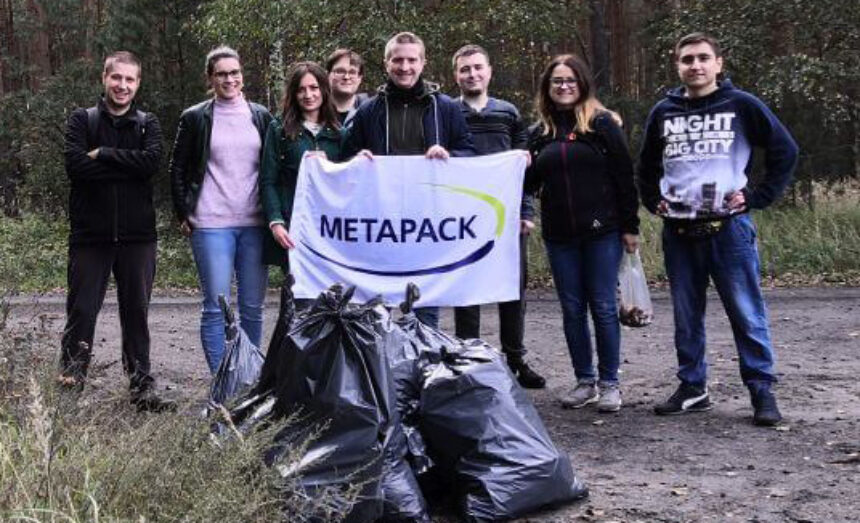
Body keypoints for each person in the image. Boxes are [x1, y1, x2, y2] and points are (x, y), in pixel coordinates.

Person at [638, 33, 798, 426]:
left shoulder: (741, 105)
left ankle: (761, 390)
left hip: (729, 230)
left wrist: (757, 196)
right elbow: (646, 165)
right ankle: (693, 388)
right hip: (679, 232)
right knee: (686, 316)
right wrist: (652, 200)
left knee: (746, 313)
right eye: (687, 59)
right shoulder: (664, 111)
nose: (695, 65)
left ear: (718, 64)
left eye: (703, 58)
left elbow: (785, 150)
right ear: (678, 65)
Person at [60, 51, 173, 411]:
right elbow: (77, 168)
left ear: (138, 83)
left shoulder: (147, 123)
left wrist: (104, 153)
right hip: (90, 237)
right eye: (117, 77)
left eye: (130, 79)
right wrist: (128, 167)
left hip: (138, 237)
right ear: (104, 78)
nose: (123, 85)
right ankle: (69, 388)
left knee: (136, 313)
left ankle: (142, 389)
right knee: (81, 312)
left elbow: (151, 164)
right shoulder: (83, 120)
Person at [525, 54, 639, 412]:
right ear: (547, 87)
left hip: (602, 232)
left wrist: (630, 227)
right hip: (559, 237)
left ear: (582, 84)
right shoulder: (538, 134)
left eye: (570, 80)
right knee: (572, 309)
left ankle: (610, 384)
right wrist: (521, 165)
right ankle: (585, 381)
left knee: (603, 307)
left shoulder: (602, 124)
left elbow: (624, 176)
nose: (564, 86)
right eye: (557, 81)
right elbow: (528, 184)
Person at [344, 31, 476, 327]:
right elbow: (347, 158)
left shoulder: (446, 108)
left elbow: (468, 152)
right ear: (386, 63)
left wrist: (449, 156)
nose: (405, 67)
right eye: (398, 60)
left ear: (423, 63)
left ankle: (423, 356)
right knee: (378, 312)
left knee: (424, 311)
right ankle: (382, 358)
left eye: (412, 60)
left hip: (428, 225)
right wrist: (357, 160)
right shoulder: (368, 110)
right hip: (381, 225)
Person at [169, 46, 273, 374]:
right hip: (211, 224)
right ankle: (221, 382)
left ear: (242, 75)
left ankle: (249, 379)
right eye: (222, 74)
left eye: (234, 72)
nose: (229, 79)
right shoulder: (195, 117)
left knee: (253, 308)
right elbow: (177, 168)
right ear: (210, 78)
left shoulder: (261, 115)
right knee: (216, 307)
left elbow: (273, 167)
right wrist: (183, 213)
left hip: (255, 224)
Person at [451, 44, 545, 389]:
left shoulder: (508, 113)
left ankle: (515, 359)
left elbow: (522, 170)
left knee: (512, 290)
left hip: (506, 219)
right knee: (467, 291)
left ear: (489, 71)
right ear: (456, 75)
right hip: (462, 220)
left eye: (478, 67)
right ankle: (468, 359)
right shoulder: (447, 112)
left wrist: (526, 212)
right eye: (465, 69)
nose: (472, 74)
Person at [259, 62, 343, 275]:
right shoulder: (278, 129)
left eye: (314, 88)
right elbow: (268, 180)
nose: (308, 95)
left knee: (333, 292)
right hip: (295, 226)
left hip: (332, 229)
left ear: (323, 89)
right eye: (301, 89)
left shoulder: (340, 132)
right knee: (297, 291)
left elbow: (351, 179)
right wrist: (276, 222)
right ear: (293, 94)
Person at [325, 48, 368, 126]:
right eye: (340, 71)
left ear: (360, 78)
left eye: (352, 72)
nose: (346, 77)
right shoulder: (314, 111)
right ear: (328, 75)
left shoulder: (371, 112)